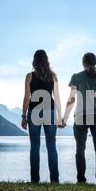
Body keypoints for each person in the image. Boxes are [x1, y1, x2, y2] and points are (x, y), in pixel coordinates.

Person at [62, 52, 96, 185]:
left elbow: (71, 99)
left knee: (80, 149)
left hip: (80, 116)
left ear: (83, 63)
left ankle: (81, 180)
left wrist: (65, 118)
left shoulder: (76, 77)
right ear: (95, 63)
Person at [21, 50, 63, 183]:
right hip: (49, 111)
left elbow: (27, 98)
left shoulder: (29, 76)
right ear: (46, 60)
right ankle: (55, 180)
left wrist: (23, 116)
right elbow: (57, 98)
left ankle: (34, 180)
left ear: (34, 60)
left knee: (35, 146)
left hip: (34, 112)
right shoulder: (53, 76)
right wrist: (60, 117)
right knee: (51, 146)